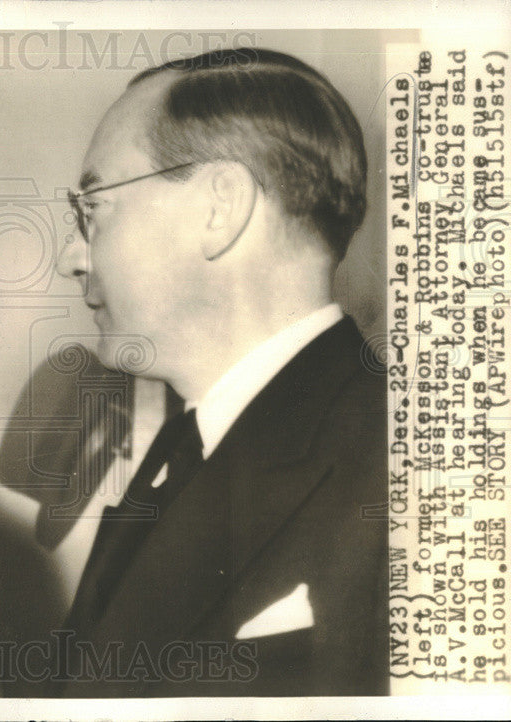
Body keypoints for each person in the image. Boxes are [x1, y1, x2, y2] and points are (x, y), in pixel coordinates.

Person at [53, 49, 387, 696]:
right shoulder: (180, 454)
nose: (73, 256)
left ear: (221, 207)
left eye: (93, 210)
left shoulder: (411, 465)